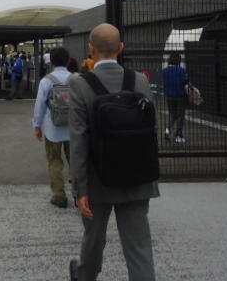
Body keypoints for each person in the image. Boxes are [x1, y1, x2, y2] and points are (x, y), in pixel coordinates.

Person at [69, 23, 159, 281]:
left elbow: (79, 141)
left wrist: (80, 189)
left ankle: (84, 275)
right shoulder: (139, 80)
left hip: (98, 180)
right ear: (121, 48)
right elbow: (151, 128)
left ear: (92, 49)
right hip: (138, 177)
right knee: (139, 246)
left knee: (94, 238)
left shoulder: (80, 85)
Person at [32, 47, 73, 208]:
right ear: (68, 61)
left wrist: (37, 126)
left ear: (52, 63)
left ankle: (59, 196)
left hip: (52, 128)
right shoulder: (76, 79)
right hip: (73, 128)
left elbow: (40, 105)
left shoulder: (46, 81)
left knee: (54, 161)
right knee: (75, 161)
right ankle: (79, 194)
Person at [162, 53, 189, 143]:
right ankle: (178, 135)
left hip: (169, 96)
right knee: (180, 116)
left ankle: (168, 130)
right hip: (180, 96)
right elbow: (186, 82)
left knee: (172, 114)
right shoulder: (181, 70)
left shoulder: (165, 71)